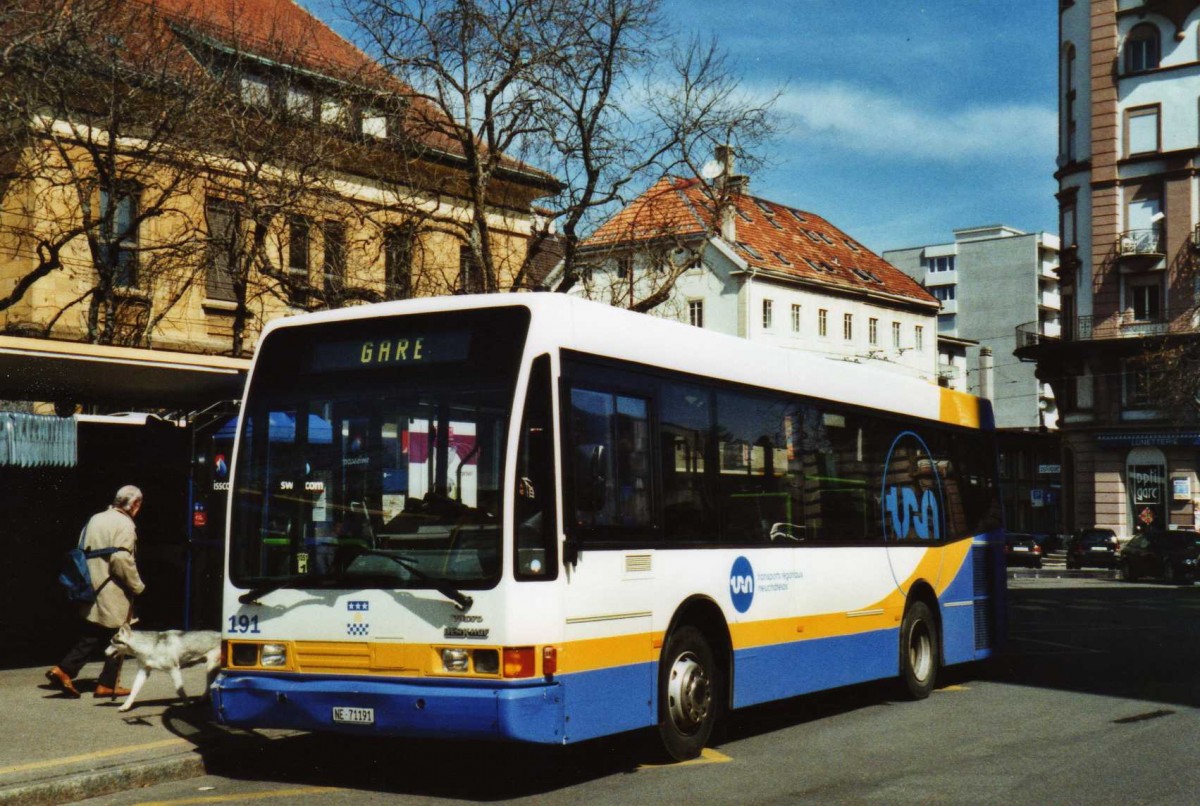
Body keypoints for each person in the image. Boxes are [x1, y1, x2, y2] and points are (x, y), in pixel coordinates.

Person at [44, 485, 147, 698]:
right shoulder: (125, 524)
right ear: (135, 504)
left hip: (91, 584)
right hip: (113, 587)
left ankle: (64, 670)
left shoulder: (95, 519)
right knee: (120, 634)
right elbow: (121, 559)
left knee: (94, 631)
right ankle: (107, 684)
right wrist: (137, 586)